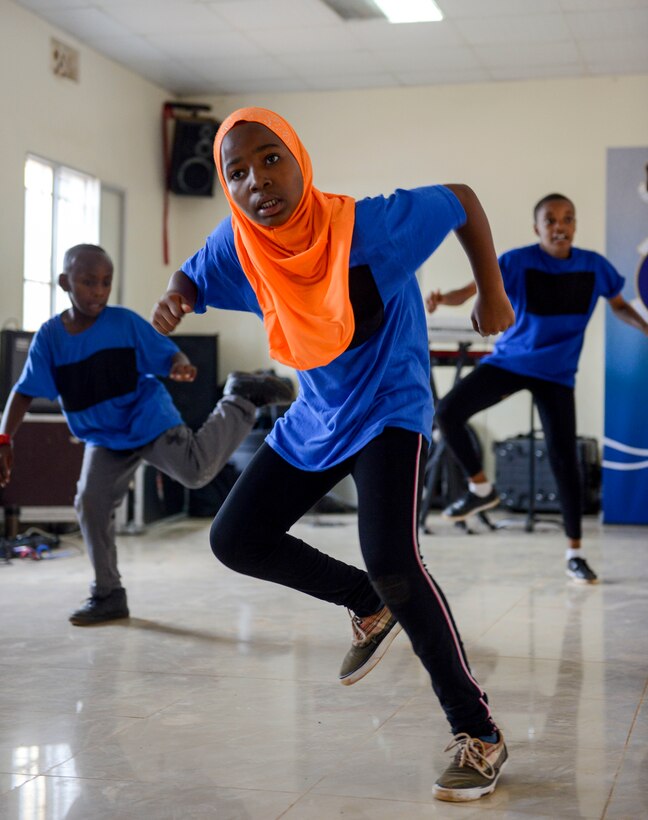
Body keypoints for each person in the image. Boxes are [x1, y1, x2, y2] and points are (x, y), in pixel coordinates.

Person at [151, 107, 515, 802]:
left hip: (390, 406)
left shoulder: (371, 228)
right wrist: (175, 298)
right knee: (235, 537)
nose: (257, 181)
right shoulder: (241, 243)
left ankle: (480, 733)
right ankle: (365, 603)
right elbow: (192, 276)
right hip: (318, 414)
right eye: (237, 172)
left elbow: (462, 199)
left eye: (271, 158)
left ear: (298, 158)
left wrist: (491, 291)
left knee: (394, 559)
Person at [0, 244, 293, 625]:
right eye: (88, 282)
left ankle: (240, 397)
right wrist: (4, 439)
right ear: (64, 282)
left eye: (106, 282)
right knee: (90, 503)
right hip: (104, 437)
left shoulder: (123, 323)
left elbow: (170, 354)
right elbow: (23, 392)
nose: (99, 291)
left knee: (196, 472)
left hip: (147, 420)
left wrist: (179, 366)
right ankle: (108, 594)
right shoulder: (50, 339)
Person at [427, 193, 648, 584]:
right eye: (551, 220)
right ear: (537, 228)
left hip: (556, 374)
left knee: (565, 461)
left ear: (575, 225)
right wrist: (444, 299)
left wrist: (645, 327)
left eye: (567, 218)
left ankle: (575, 553)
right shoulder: (517, 261)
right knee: (446, 412)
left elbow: (618, 304)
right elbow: (474, 289)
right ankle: (481, 488)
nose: (559, 226)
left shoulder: (594, 266)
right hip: (510, 362)